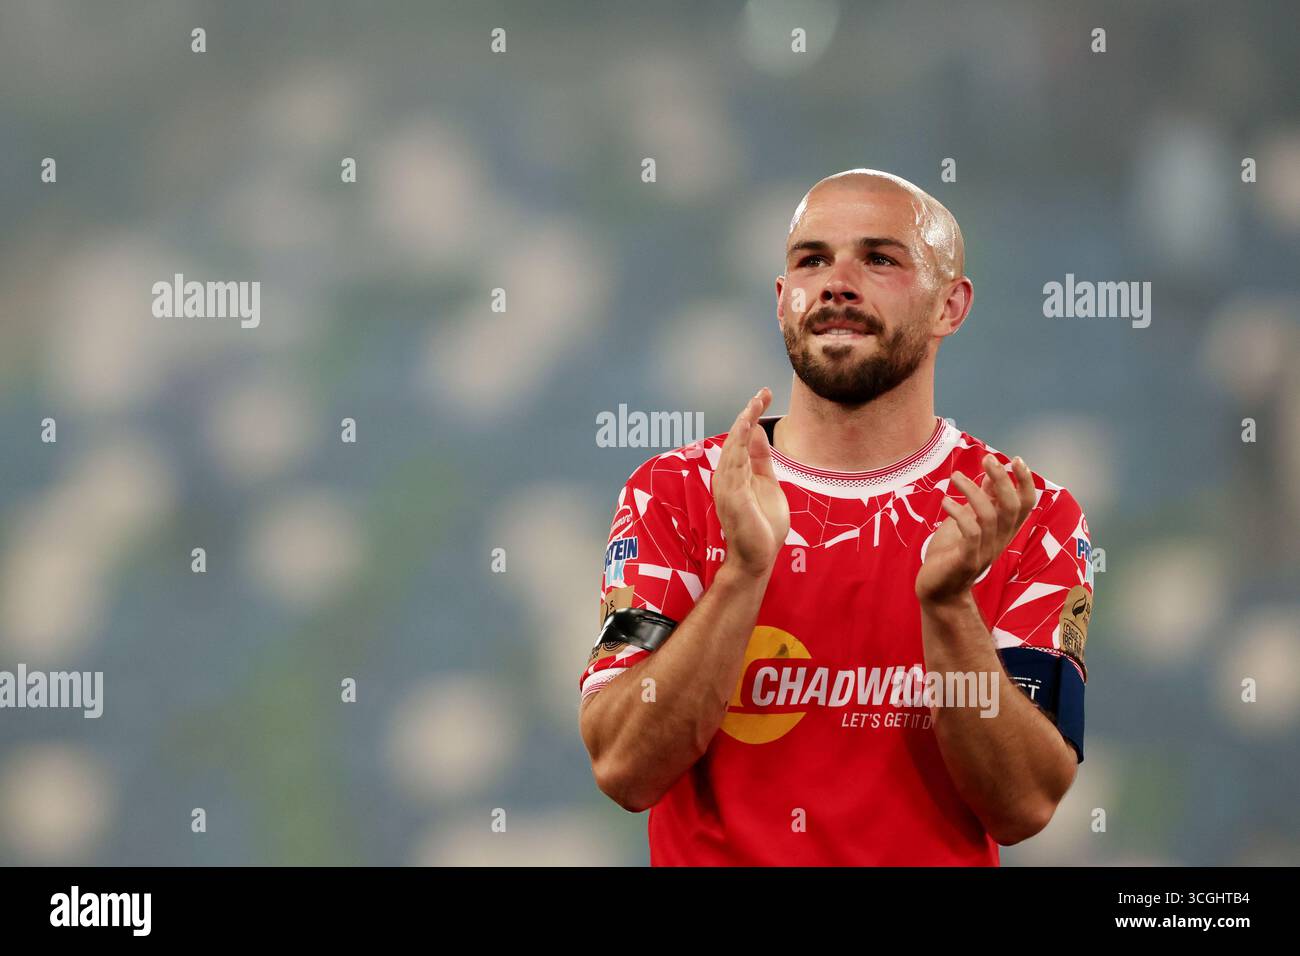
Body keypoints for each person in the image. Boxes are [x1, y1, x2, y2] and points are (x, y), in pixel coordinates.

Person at [578, 169, 1093, 865]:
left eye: (879, 259)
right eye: (811, 260)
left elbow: (1025, 803)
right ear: (783, 298)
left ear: (951, 306)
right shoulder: (677, 492)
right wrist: (744, 573)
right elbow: (624, 768)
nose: (836, 282)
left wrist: (947, 608)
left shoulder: (1022, 512)